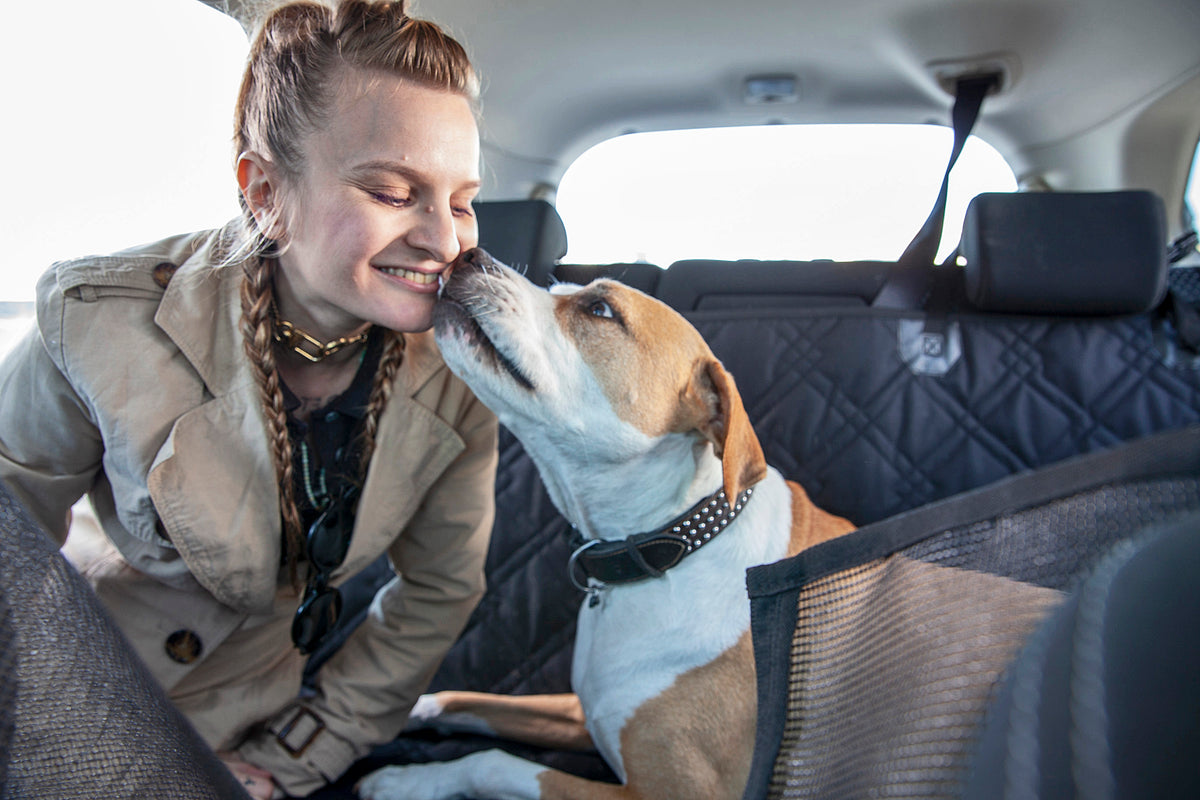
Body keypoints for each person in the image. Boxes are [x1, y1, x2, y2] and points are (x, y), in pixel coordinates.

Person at [0, 1, 497, 796]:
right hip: (70, 706)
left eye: (462, 200)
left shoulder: (461, 378)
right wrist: (71, 744)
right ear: (264, 190)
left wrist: (294, 756)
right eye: (395, 191)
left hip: (251, 738)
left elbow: (438, 594)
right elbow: (7, 550)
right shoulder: (99, 323)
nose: (444, 241)